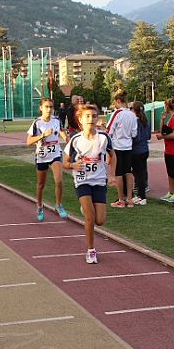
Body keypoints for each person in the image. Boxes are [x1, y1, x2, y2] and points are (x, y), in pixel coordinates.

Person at [63, 102, 113, 263]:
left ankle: (86, 210)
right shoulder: (75, 140)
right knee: (90, 217)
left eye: (94, 116)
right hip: (82, 180)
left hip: (99, 181)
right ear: (80, 120)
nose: (91, 119)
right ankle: (91, 251)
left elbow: (113, 155)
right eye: (87, 116)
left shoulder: (103, 138)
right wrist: (73, 165)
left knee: (100, 220)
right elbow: (64, 163)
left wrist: (112, 175)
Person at [27, 97, 69, 221]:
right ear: (41, 108)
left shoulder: (56, 120)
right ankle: (39, 205)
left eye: (51, 107)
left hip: (55, 154)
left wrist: (67, 139)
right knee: (41, 184)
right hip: (41, 155)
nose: (49, 109)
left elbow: (61, 131)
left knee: (59, 180)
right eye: (46, 107)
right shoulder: (37, 123)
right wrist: (43, 135)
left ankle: (58, 205)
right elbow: (29, 141)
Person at [106, 90, 138, 208]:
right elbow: (134, 133)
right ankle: (129, 199)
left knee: (118, 174)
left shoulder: (117, 113)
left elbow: (109, 130)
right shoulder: (132, 114)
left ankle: (121, 199)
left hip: (118, 146)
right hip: (128, 146)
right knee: (128, 172)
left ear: (118, 101)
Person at [156, 97, 174, 202]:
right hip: (168, 148)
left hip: (173, 148)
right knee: (169, 172)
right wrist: (162, 119)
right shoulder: (170, 118)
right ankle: (170, 192)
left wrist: (162, 137)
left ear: (167, 107)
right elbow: (162, 131)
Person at [130, 101, 151, 205]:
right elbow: (148, 136)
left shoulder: (136, 122)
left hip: (137, 151)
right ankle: (141, 194)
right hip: (145, 150)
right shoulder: (146, 122)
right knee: (141, 172)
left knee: (138, 174)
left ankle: (141, 196)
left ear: (134, 110)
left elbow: (136, 138)